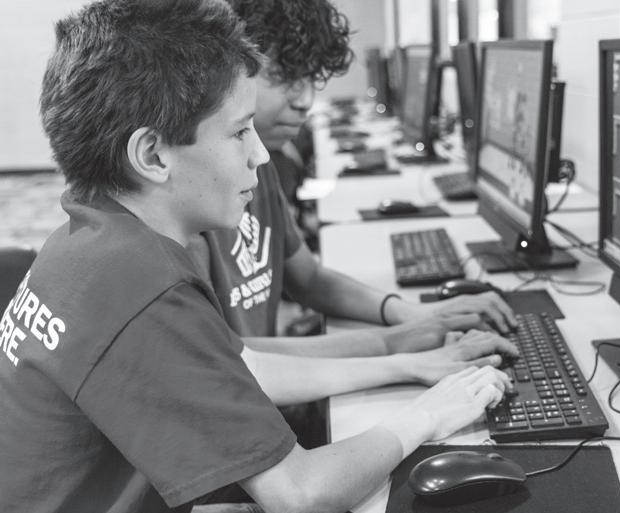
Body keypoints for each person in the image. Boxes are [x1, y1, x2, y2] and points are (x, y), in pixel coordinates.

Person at [0, 1, 511, 512]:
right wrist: (430, 413)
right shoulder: (140, 282)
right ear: (153, 155)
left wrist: (406, 362)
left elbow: (240, 367)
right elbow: (302, 493)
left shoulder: (90, 240)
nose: (261, 154)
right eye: (240, 131)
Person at [189, 0, 519, 361]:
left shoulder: (261, 164)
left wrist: (411, 313)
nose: (306, 100)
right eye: (286, 75)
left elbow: (308, 279)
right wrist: (393, 346)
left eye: (312, 78)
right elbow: (224, 361)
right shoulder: (191, 203)